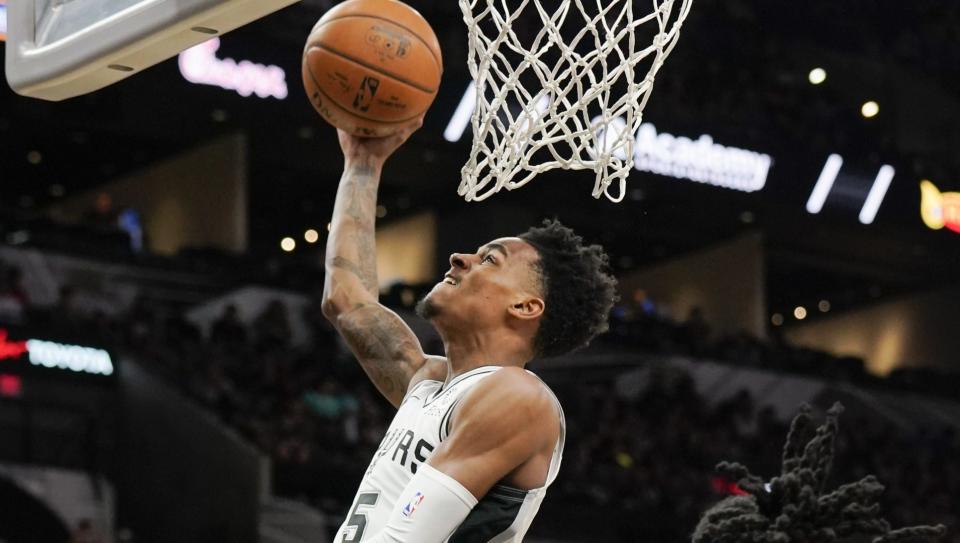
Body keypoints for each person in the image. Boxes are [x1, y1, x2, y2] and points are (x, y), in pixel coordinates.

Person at [321, 118, 617, 542]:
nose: (459, 257)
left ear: (525, 306)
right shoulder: (429, 383)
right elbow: (347, 301)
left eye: (490, 259)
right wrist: (363, 162)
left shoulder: (518, 397)